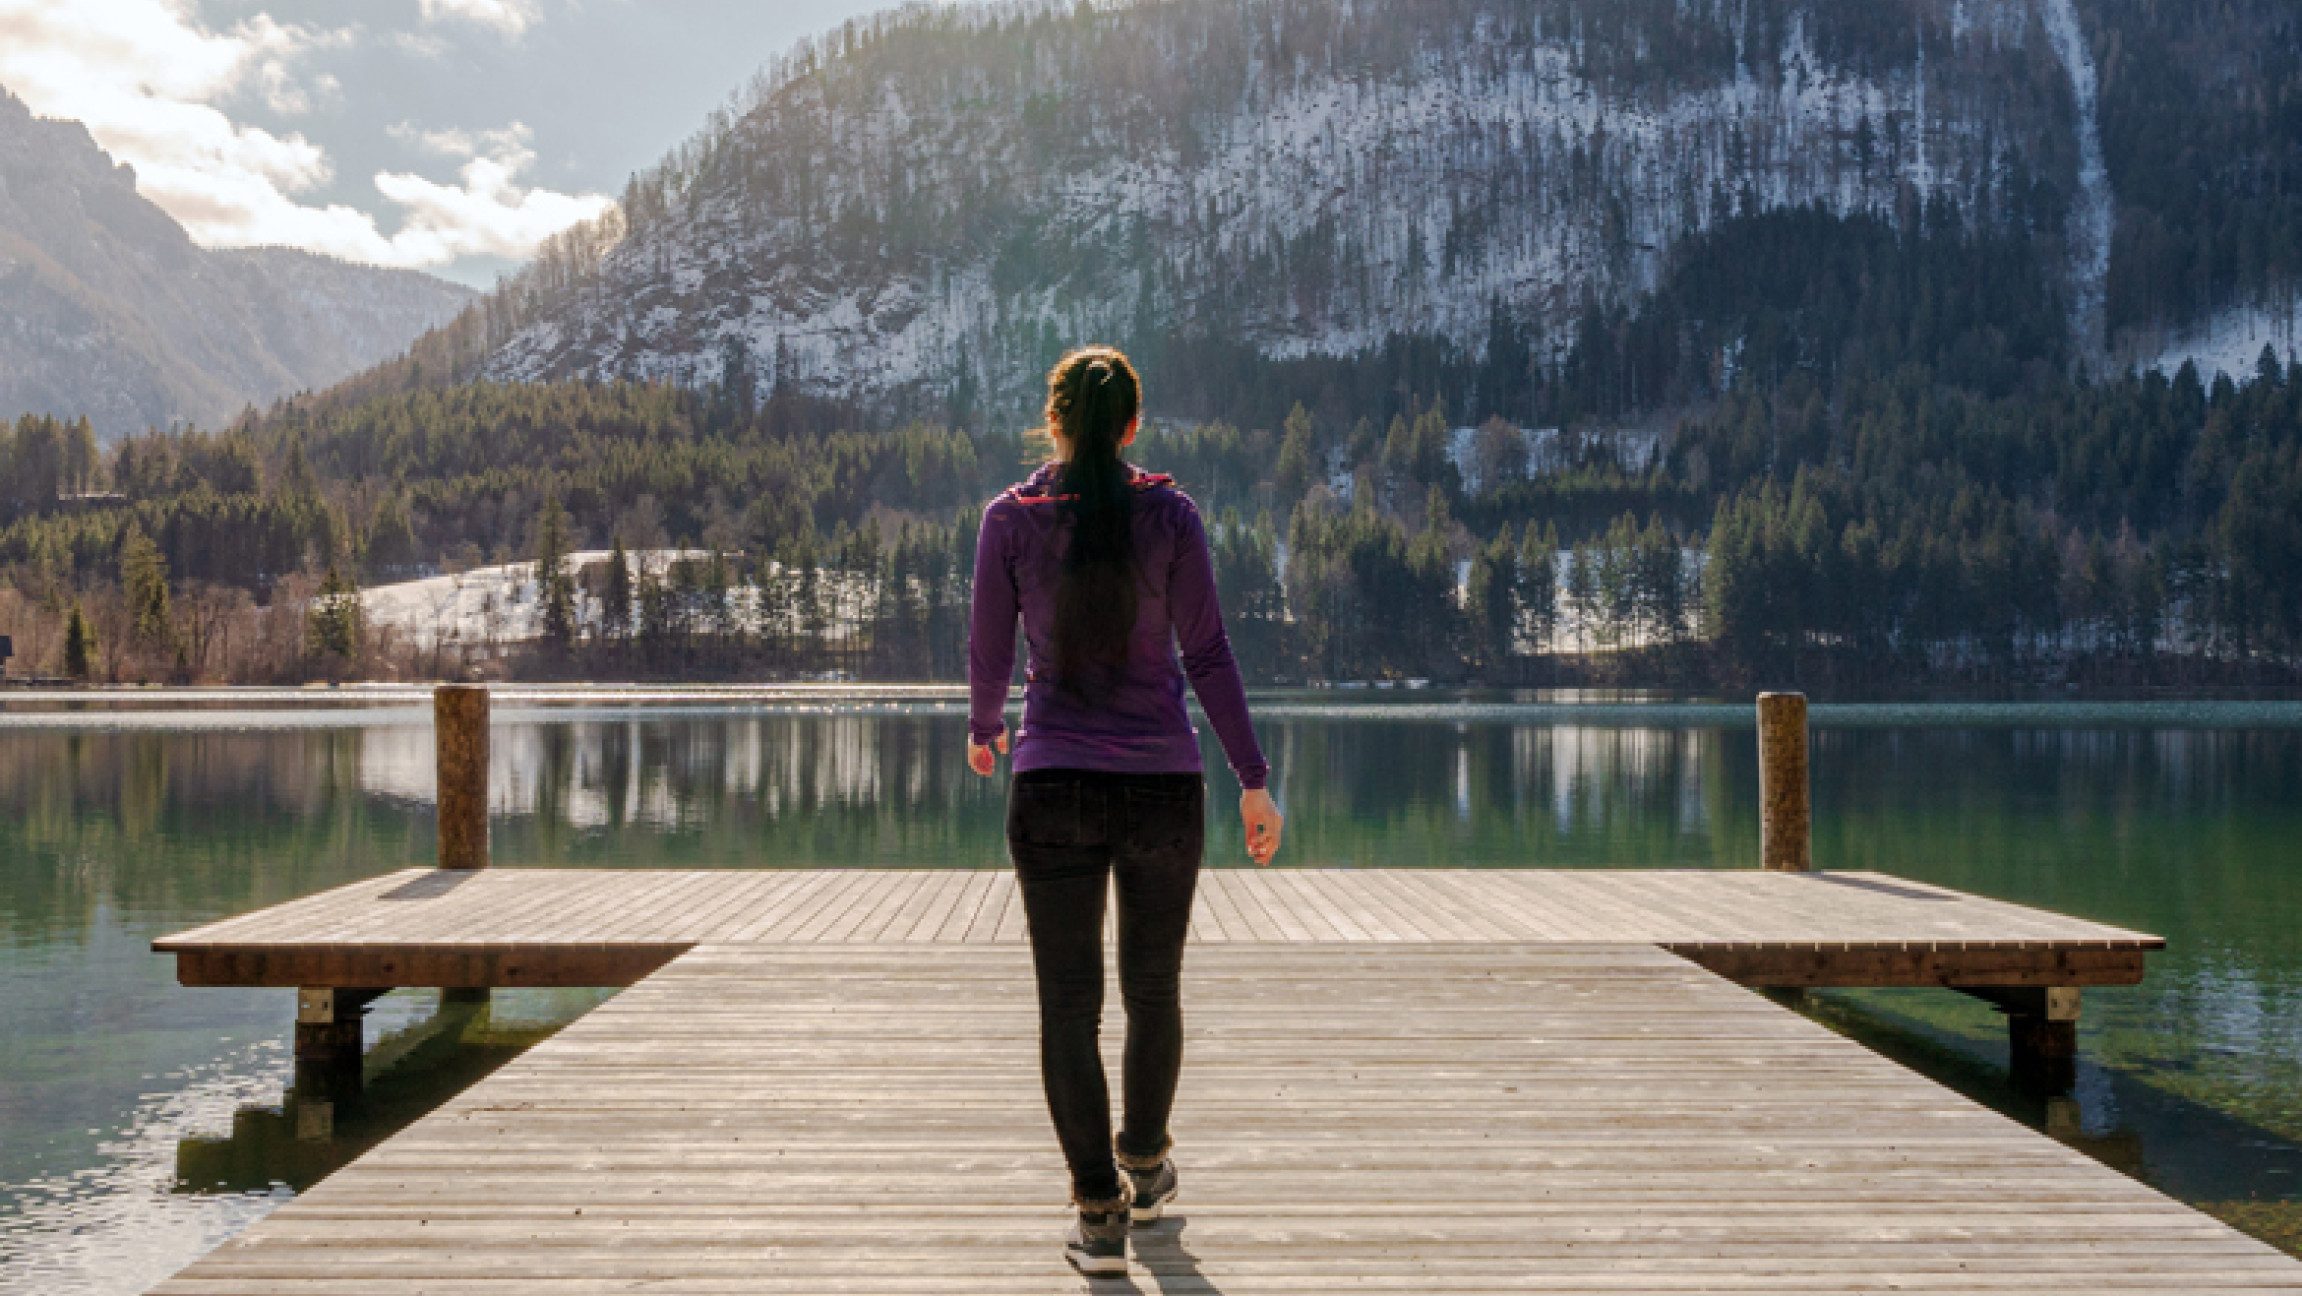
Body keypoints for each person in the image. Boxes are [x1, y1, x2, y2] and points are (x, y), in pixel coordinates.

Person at [967, 344, 1284, 1276]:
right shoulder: (1172, 518)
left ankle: (1098, 1216)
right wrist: (1253, 778)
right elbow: (1210, 658)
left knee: (1069, 1005)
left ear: (1054, 422)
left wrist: (987, 728)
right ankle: (1143, 1165)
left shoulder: (1010, 521)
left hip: (1053, 781)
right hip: (1162, 787)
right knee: (1153, 989)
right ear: (1134, 425)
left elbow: (990, 654)